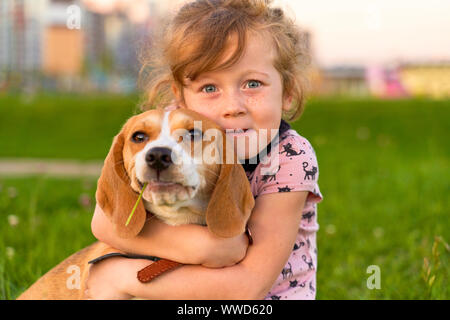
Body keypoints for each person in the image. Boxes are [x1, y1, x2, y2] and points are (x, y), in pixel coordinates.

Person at [87, 0, 323, 300]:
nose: (231, 107)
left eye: (252, 83)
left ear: (287, 93)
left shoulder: (289, 158)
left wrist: (124, 278)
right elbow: (103, 222)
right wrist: (206, 248)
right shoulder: (172, 130)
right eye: (210, 88)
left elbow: (249, 286)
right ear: (181, 98)